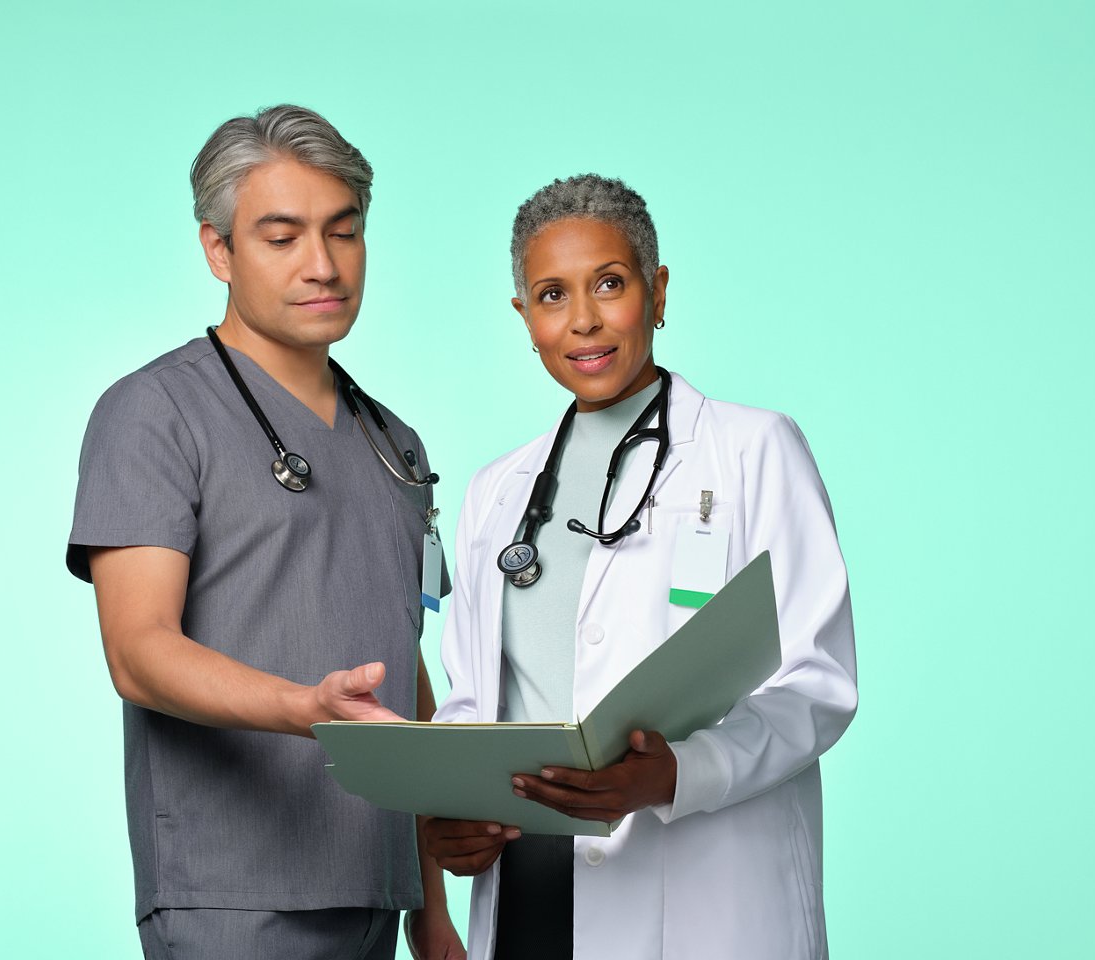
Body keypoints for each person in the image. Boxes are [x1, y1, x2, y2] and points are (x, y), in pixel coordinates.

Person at [423, 174, 857, 959]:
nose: (583, 319)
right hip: (529, 887)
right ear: (524, 318)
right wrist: (457, 813)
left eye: (610, 285)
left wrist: (681, 775)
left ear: (657, 293)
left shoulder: (754, 450)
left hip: (703, 895)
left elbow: (817, 682)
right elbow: (474, 702)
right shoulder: (497, 492)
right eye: (552, 295)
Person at [67, 105, 464, 960]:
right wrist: (305, 711)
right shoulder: (153, 414)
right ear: (219, 250)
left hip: (377, 891)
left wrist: (431, 910)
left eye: (344, 233)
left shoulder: (395, 444)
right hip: (233, 897)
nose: (322, 266)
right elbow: (137, 652)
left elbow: (404, 658)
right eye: (282, 237)